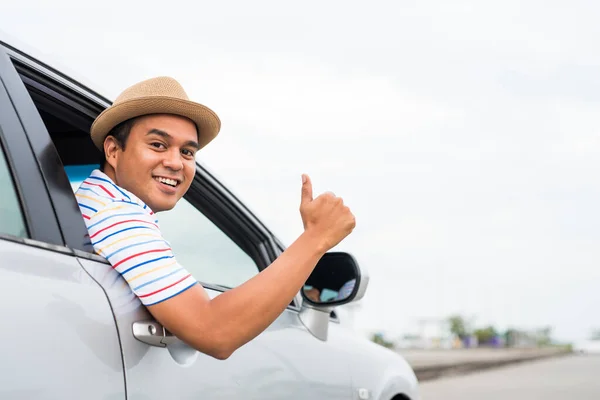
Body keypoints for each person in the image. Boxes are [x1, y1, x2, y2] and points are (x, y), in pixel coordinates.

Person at [75, 76, 356, 360]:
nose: (175, 163)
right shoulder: (116, 213)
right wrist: (316, 238)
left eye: (186, 152)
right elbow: (213, 330)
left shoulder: (93, 203)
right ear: (113, 150)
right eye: (158, 145)